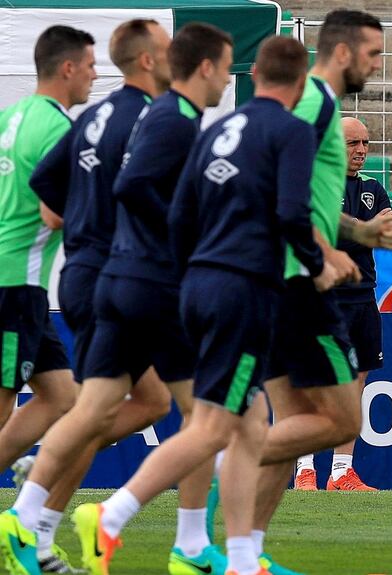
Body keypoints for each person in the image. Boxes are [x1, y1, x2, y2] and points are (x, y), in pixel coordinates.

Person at [74, 35, 333, 575]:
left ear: (255, 74)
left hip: (195, 285)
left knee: (249, 422)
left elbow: (179, 214)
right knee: (214, 427)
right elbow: (291, 213)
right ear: (302, 81)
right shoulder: (291, 130)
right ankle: (110, 515)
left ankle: (239, 557)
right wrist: (316, 263)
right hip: (243, 289)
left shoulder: (214, 130)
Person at [6, 22, 234, 575]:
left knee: (108, 406)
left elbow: (48, 183)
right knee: (204, 407)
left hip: (96, 273)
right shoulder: (153, 117)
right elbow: (133, 190)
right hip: (129, 273)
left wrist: (88, 226)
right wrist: (149, 236)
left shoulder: (96, 114)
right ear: (150, 60)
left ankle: (35, 512)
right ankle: (184, 541)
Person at [233, 11, 392, 573]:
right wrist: (321, 255)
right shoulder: (314, 106)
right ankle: (211, 460)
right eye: (373, 55)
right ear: (345, 52)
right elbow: (284, 197)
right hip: (294, 284)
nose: (376, 68)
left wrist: (359, 233)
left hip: (277, 277)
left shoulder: (310, 106)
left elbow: (306, 199)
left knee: (297, 423)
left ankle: (244, 555)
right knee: (342, 421)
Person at [0, 24, 94, 574]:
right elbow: (54, 214)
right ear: (65, 69)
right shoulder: (59, 128)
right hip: (14, 283)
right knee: (5, 408)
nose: (92, 75)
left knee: (66, 400)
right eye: (87, 66)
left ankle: (25, 522)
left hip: (22, 284)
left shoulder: (10, 118)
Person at [293, 116, 392, 492]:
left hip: (363, 297)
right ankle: (304, 469)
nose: (360, 151)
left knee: (356, 384)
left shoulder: (374, 187)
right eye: (352, 144)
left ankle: (341, 471)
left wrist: (368, 231)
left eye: (365, 144)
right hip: (321, 297)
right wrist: (368, 228)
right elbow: (321, 239)